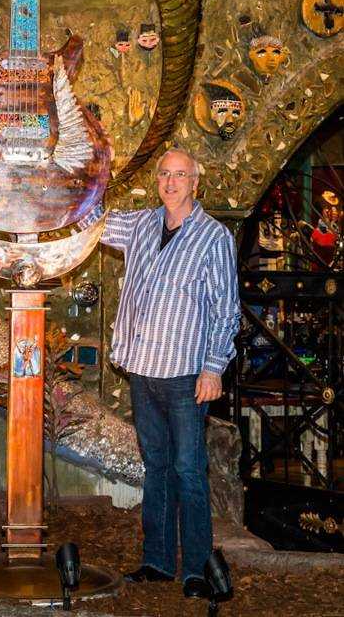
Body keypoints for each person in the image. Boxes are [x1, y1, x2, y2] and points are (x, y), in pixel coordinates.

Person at [102, 147, 241, 599]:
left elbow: (226, 309)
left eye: (180, 175)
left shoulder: (213, 237)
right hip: (143, 370)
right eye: (164, 174)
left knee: (188, 470)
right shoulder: (141, 224)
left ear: (194, 183)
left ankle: (197, 569)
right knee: (156, 467)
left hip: (185, 374)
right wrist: (93, 174)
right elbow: (93, 222)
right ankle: (157, 561)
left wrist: (214, 368)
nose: (171, 182)